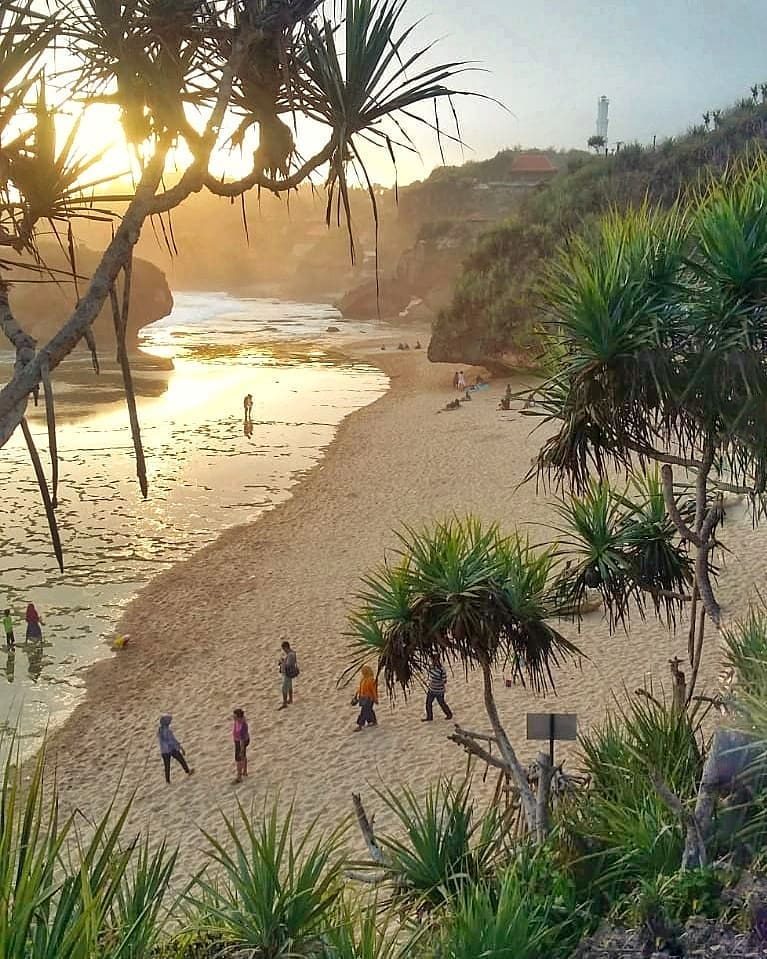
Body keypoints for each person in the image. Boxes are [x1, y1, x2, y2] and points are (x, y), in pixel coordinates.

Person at [158, 715, 194, 784]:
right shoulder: (168, 731)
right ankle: (188, 771)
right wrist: (180, 748)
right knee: (181, 759)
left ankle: (167, 781)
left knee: (167, 766)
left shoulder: (160, 730)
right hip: (171, 749)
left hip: (164, 751)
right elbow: (172, 741)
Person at [422, 653, 453, 721]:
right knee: (428, 704)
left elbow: (444, 680)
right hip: (431, 689)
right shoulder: (431, 667)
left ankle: (449, 714)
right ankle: (429, 717)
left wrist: (437, 681)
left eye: (434, 660)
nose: (433, 661)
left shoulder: (442, 669)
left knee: (442, 703)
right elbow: (430, 675)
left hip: (439, 690)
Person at [353, 665, 378, 731]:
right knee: (369, 710)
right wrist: (356, 694)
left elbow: (373, 690)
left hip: (369, 698)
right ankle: (372, 721)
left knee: (364, 711)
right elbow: (360, 688)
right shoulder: (363, 679)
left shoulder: (371, 680)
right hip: (363, 697)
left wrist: (375, 698)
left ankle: (360, 725)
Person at [278, 640, 299, 709]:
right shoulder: (293, 653)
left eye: (284, 649)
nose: (284, 651)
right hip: (289, 673)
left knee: (284, 688)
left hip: (287, 673)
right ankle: (290, 699)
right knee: (290, 686)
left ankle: (284, 703)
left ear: (286, 647)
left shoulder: (290, 655)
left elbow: (288, 665)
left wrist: (282, 662)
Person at [232, 707, 250, 783]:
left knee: (238, 758)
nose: (233, 718)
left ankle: (239, 777)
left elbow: (242, 741)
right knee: (243, 756)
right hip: (241, 740)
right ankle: (245, 771)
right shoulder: (240, 720)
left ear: (239, 717)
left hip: (241, 742)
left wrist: (241, 750)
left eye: (235, 717)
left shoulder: (243, 726)